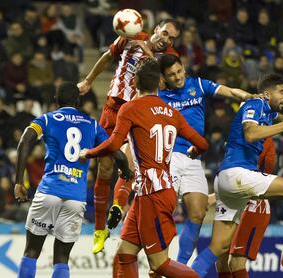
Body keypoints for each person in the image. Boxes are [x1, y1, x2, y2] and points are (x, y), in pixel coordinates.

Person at [191, 73, 283, 277]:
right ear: (267, 94)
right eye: (281, 91)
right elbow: (250, 133)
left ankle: (185, 274)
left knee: (218, 248)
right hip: (238, 173)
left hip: (226, 179)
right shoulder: (256, 103)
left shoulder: (266, 111)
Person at [79, 58, 206, 277]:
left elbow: (114, 144)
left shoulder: (130, 108)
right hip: (151, 190)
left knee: (160, 265)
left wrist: (88, 153)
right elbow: (203, 144)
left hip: (153, 193)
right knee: (125, 254)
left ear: (135, 82)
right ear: (159, 83)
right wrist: (195, 151)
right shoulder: (172, 113)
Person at [77, 19, 181, 254]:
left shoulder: (168, 57)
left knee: (129, 162)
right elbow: (106, 56)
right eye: (165, 33)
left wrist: (149, 55)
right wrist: (89, 81)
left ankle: (119, 205)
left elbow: (167, 84)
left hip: (137, 112)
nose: (167, 40)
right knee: (104, 168)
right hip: (112, 109)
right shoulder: (131, 35)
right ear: (156, 30)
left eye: (172, 38)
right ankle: (100, 229)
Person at [14, 82, 131, 278]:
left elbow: (25, 141)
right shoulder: (92, 124)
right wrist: (125, 170)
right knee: (62, 259)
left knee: (31, 252)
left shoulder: (47, 119)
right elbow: (113, 149)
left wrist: (19, 180)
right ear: (78, 101)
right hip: (76, 198)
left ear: (56, 100)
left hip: (49, 192)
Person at [156, 54, 259, 265]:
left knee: (198, 212)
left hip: (194, 158)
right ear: (164, 78)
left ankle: (180, 266)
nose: (177, 78)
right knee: (163, 210)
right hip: (169, 157)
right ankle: (158, 263)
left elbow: (229, 91)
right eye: (171, 75)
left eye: (179, 71)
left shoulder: (199, 85)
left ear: (184, 67)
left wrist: (249, 97)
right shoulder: (158, 96)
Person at [216, 137, 275, 278]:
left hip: (253, 203)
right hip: (231, 200)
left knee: (236, 263)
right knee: (221, 260)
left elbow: (265, 174)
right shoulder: (235, 135)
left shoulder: (267, 142)